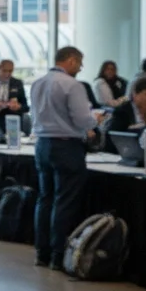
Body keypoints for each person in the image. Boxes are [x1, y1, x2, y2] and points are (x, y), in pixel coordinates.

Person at [30, 46, 100, 270]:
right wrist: (95, 120)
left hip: (42, 145)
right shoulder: (73, 85)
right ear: (70, 60)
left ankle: (42, 252)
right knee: (65, 201)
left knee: (45, 199)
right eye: (79, 63)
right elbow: (82, 120)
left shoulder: (37, 83)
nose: (80, 68)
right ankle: (59, 255)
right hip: (66, 146)